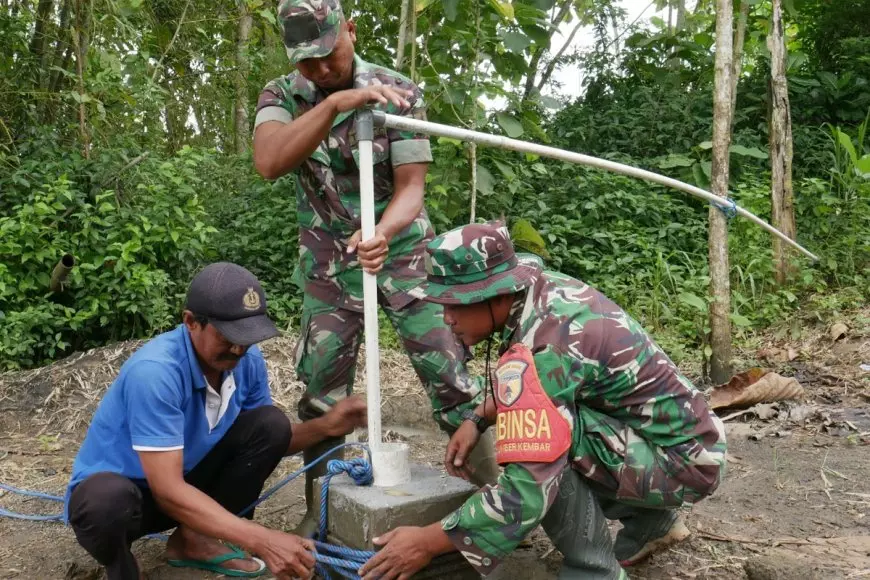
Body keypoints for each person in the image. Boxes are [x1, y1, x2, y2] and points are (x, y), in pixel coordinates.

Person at [251, 0, 499, 534]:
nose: (318, 70)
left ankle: (501, 509)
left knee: (452, 377)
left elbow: (412, 187)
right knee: (322, 393)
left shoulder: (398, 91)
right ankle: (323, 518)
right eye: (306, 62)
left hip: (403, 249)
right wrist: (337, 101)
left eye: (328, 55)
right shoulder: (280, 96)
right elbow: (269, 161)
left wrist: (381, 233)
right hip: (326, 264)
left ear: (351, 30)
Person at [359, 222, 728, 580]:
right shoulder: (544, 297)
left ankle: (593, 570)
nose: (446, 318)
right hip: (683, 445)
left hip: (681, 462)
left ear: (497, 294)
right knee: (547, 425)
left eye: (455, 304)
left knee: (543, 448)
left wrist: (429, 541)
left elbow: (525, 490)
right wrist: (477, 418)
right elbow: (550, 385)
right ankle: (652, 523)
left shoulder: (546, 346)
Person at [64, 262, 367, 580]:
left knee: (270, 423)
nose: (238, 348)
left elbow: (268, 440)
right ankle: (122, 567)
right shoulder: (156, 372)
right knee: (104, 502)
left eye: (247, 337)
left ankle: (194, 540)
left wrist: (327, 426)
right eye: (228, 336)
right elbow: (167, 490)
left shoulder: (245, 361)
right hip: (131, 501)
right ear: (191, 322)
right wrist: (263, 540)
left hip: (185, 486)